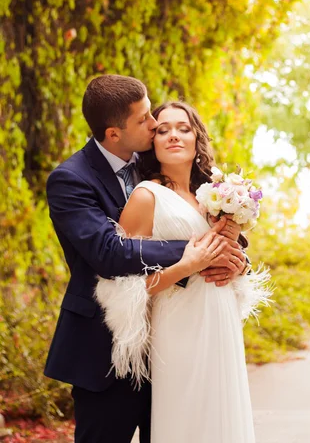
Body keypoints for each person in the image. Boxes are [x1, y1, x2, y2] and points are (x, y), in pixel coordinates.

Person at [44, 75, 247, 443]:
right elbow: (108, 252)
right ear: (113, 133)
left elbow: (202, 213)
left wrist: (235, 255)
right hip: (105, 348)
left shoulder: (152, 160)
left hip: (173, 343)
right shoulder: (70, 180)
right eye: (144, 119)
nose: (155, 125)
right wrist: (193, 254)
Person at [96, 101, 271, 443]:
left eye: (183, 128)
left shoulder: (212, 199)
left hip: (220, 320)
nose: (174, 135)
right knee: (188, 419)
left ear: (196, 139)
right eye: (163, 129)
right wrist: (187, 266)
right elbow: (125, 288)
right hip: (177, 325)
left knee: (224, 416)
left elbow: (228, 256)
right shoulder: (146, 197)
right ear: (153, 142)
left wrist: (238, 267)